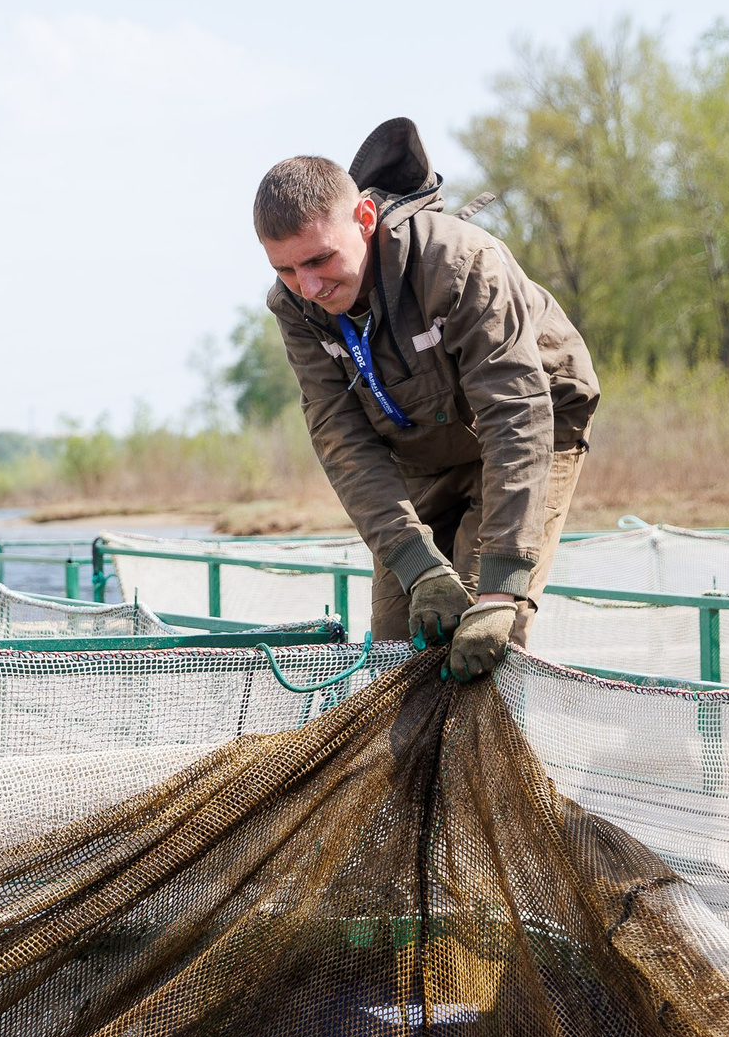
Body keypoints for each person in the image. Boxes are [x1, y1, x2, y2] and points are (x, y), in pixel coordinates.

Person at [255, 118, 598, 680]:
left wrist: (498, 589)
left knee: (484, 639)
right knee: (402, 649)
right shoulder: (294, 306)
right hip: (418, 449)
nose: (308, 286)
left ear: (364, 220)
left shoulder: (460, 264)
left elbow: (516, 416)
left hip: (535, 427)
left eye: (319, 260)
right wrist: (418, 566)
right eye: (285, 268)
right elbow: (342, 441)